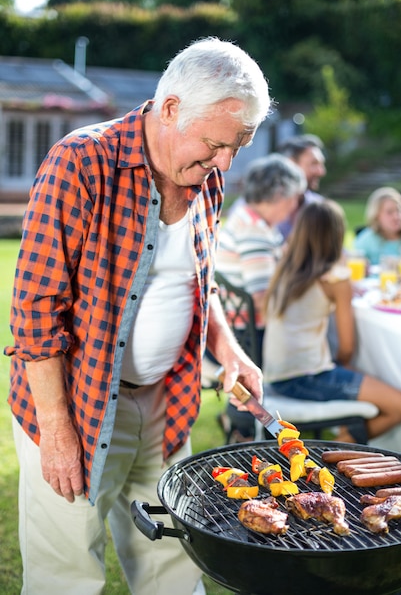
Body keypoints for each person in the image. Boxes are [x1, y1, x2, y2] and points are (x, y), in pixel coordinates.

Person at [5, 37, 271, 595]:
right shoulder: (81, 163)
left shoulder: (209, 171)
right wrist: (56, 431)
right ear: (171, 109)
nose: (225, 162)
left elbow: (199, 283)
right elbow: (34, 310)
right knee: (67, 576)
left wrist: (230, 349)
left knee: (173, 559)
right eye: (217, 144)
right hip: (78, 408)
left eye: (238, 147)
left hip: (167, 402)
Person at [263, 199, 401, 444]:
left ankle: (339, 448)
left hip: (277, 375)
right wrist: (347, 370)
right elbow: (347, 348)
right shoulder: (335, 278)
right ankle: (338, 451)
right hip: (308, 376)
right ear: (336, 236)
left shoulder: (286, 268)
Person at [214, 153, 306, 441]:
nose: (295, 207)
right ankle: (259, 428)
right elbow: (262, 299)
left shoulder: (243, 216)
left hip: (239, 330)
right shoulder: (255, 232)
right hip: (250, 337)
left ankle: (240, 425)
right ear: (280, 194)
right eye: (294, 198)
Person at [276, 133, 326, 240]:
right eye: (314, 164)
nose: (321, 172)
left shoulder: (320, 207)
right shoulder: (258, 205)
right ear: (291, 164)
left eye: (321, 164)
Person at [354, 186, 401, 265]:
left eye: (399, 210)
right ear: (376, 216)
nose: (396, 216)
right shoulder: (365, 241)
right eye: (389, 212)